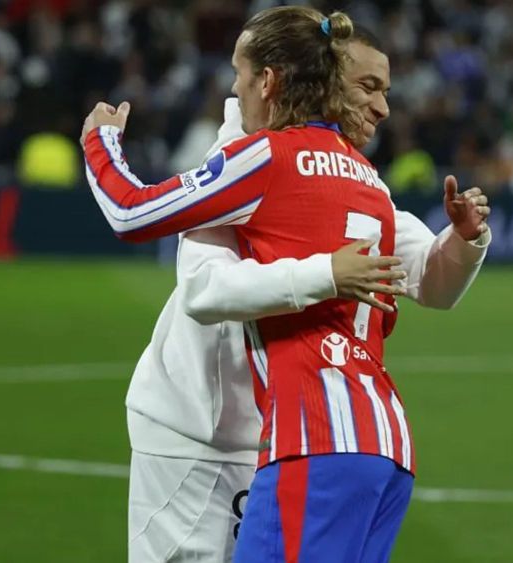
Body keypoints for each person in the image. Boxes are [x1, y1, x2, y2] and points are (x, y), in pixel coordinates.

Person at [81, 7, 488, 562]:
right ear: (321, 81)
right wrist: (326, 275)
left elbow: (425, 273)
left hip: (294, 436)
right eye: (366, 86)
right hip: (202, 433)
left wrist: (462, 242)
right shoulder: (263, 163)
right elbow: (206, 288)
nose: (382, 107)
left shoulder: (335, 178)